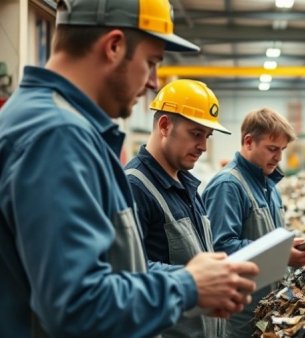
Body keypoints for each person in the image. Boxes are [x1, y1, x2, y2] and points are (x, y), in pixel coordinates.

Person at [0, 0, 258, 337]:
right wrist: (186, 285)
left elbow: (112, 268)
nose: (153, 82)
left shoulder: (49, 122)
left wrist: (191, 279)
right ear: (114, 46)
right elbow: (77, 305)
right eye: (151, 63)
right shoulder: (58, 136)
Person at [202, 108, 305, 337]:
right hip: (239, 316)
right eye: (272, 149)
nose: (279, 157)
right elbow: (220, 248)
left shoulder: (269, 186)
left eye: (282, 150)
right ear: (249, 142)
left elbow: (268, 237)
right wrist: (281, 254)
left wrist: (291, 246)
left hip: (268, 308)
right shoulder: (228, 186)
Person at [125, 79, 231, 337]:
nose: (203, 146)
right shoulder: (133, 187)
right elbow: (126, 272)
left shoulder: (189, 187)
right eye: (196, 133)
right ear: (164, 126)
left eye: (207, 136)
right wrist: (192, 281)